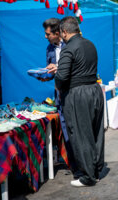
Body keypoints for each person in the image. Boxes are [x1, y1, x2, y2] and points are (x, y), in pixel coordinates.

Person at [54, 16, 104, 187]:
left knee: (81, 135)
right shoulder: (90, 44)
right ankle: (96, 170)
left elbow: (62, 77)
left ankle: (88, 177)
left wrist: (57, 80)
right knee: (96, 132)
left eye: (61, 33)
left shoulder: (68, 49)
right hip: (95, 90)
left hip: (78, 94)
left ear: (65, 32)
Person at [42, 18, 79, 173]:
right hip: (59, 95)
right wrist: (44, 74)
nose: (45, 37)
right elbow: (51, 72)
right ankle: (73, 165)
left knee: (76, 128)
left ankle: (82, 162)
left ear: (58, 33)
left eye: (48, 34)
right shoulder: (49, 49)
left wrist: (58, 68)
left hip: (74, 94)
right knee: (65, 129)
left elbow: (74, 68)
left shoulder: (71, 45)